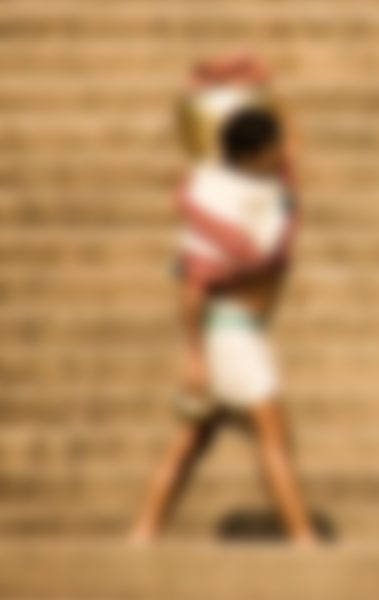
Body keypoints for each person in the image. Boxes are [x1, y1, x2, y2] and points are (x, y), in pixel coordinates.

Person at [130, 54, 317, 546]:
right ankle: (303, 540)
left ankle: (144, 533)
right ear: (256, 152)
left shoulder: (248, 187)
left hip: (233, 333)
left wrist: (255, 83)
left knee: (189, 443)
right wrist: (194, 356)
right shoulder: (221, 193)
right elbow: (193, 280)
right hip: (230, 336)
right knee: (273, 439)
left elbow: (289, 150)